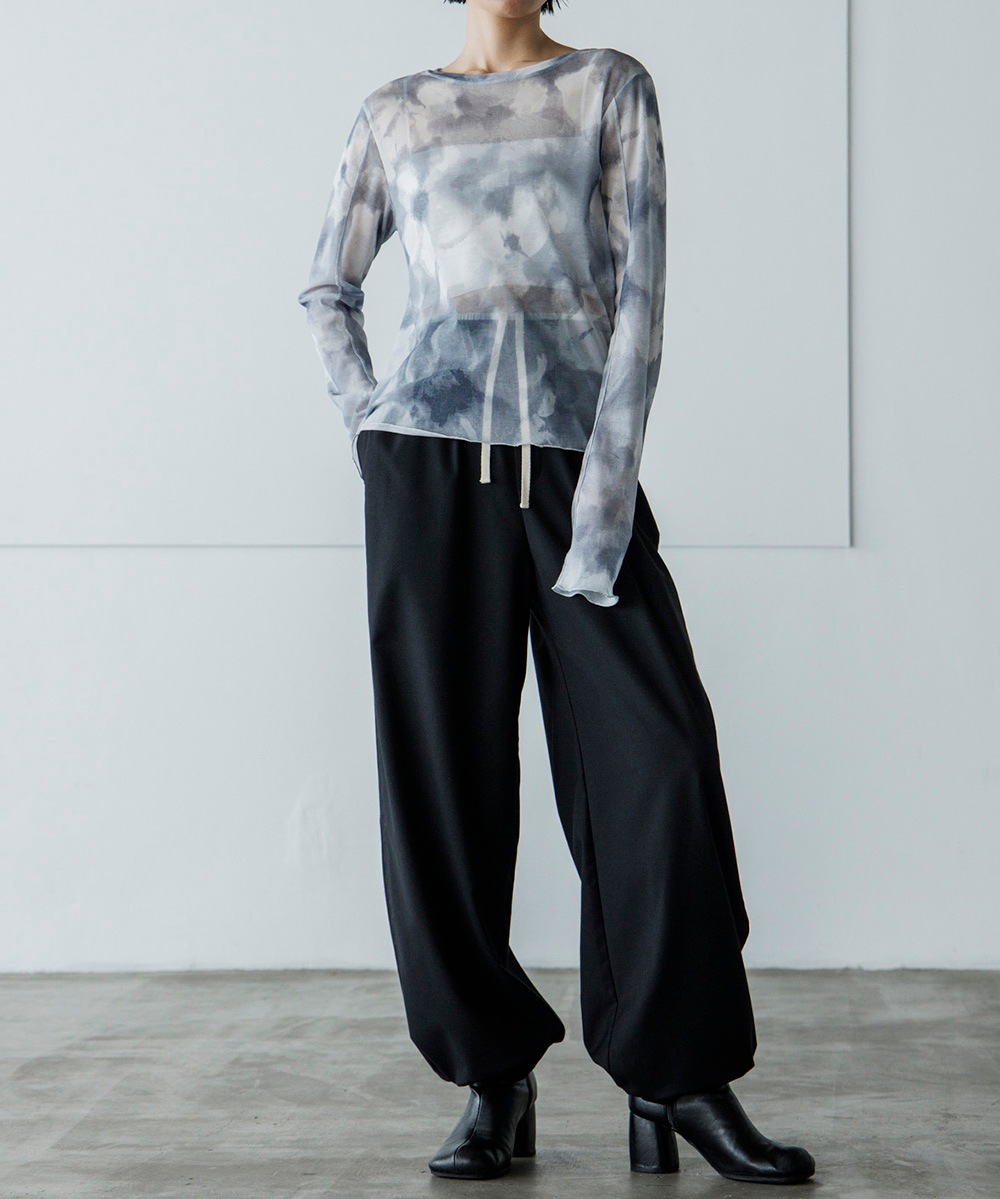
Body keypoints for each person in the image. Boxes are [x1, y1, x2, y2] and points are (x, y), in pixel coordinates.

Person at [296, 0, 816, 1185]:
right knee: (441, 782)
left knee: (659, 759)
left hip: (577, 463)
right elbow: (327, 285)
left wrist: (608, 490)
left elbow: (639, 300)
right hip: (427, 474)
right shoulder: (395, 112)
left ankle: (675, 1073)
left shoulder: (608, 89)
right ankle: (493, 1074)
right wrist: (373, 425)